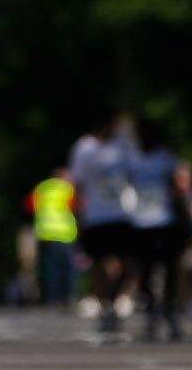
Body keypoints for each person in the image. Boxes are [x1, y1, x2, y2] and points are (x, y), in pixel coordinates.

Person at [67, 113, 136, 334]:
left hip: (122, 213)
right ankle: (106, 304)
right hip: (96, 215)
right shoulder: (85, 148)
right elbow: (77, 183)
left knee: (131, 263)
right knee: (98, 264)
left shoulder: (123, 148)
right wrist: (78, 215)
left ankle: (116, 297)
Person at [131, 120, 191, 341]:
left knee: (170, 270)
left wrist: (185, 218)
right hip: (140, 221)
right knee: (146, 271)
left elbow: (179, 188)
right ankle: (152, 311)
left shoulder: (166, 159)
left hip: (165, 221)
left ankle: (169, 311)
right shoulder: (132, 160)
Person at [26, 169, 78, 308]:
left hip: (45, 234)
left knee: (49, 270)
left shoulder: (42, 188)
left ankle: (50, 298)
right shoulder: (68, 189)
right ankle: (67, 297)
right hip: (64, 234)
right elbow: (76, 207)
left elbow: (30, 206)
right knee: (67, 269)